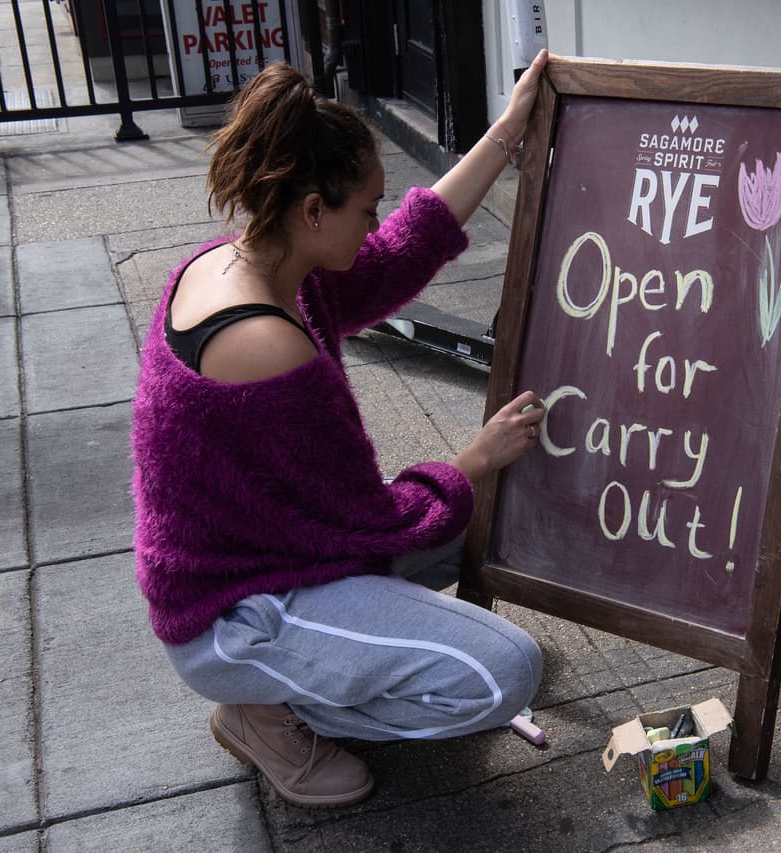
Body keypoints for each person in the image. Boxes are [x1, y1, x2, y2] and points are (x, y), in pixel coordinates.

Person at [131, 51, 550, 808]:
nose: (376, 222)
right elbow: (373, 521)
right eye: (366, 207)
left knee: (494, 520)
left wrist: (505, 132)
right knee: (505, 671)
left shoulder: (253, 264)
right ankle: (270, 711)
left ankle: (295, 681)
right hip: (233, 613)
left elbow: (396, 257)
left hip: (275, 554)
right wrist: (474, 458)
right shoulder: (269, 347)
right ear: (313, 210)